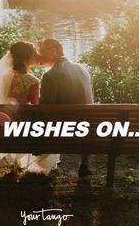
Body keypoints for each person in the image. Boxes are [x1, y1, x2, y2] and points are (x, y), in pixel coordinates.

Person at [0, 41, 60, 173]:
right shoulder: (32, 81)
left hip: (4, 130)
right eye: (34, 52)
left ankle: (17, 163)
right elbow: (36, 109)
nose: (36, 54)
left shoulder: (4, 78)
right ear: (26, 58)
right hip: (23, 132)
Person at [37, 38, 94, 177]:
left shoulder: (50, 75)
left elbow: (45, 109)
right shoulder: (82, 69)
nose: (39, 56)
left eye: (41, 52)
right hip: (86, 130)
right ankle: (84, 164)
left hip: (64, 132)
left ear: (53, 51)